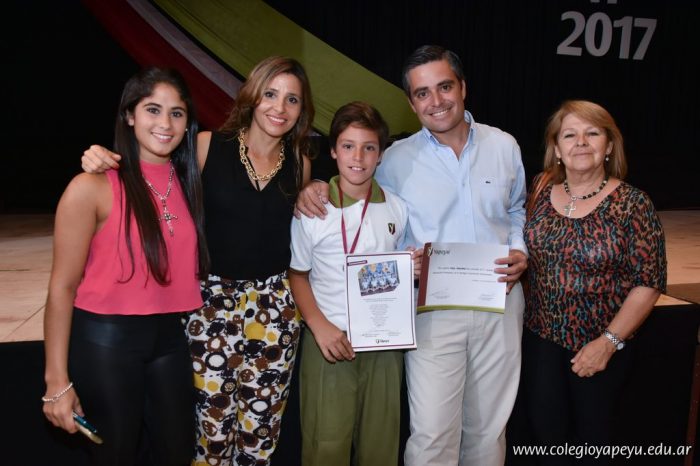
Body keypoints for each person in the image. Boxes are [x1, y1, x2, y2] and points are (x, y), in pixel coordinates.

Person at [295, 45, 528, 466]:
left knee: (490, 432)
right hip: (430, 311)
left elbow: (516, 210)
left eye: (444, 87)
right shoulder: (396, 159)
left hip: (499, 301)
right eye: (422, 93)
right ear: (410, 102)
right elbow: (357, 188)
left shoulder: (504, 146)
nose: (436, 100)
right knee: (432, 435)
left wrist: (519, 248)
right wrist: (313, 188)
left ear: (463, 87)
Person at [81, 56, 315, 465]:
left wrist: (318, 187)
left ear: (301, 110)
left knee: (261, 433)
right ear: (252, 96)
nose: (279, 107)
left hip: (275, 311)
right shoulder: (207, 145)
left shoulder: (301, 166)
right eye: (270, 94)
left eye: (291, 99)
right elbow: (150, 166)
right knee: (212, 431)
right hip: (209, 307)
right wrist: (101, 156)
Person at [43, 67, 208, 465]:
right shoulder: (91, 187)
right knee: (114, 455)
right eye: (153, 110)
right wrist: (56, 382)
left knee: (178, 453)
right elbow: (62, 288)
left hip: (170, 338)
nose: (165, 123)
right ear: (129, 115)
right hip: (106, 341)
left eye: (177, 113)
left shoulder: (190, 180)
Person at [521, 100, 666, 465]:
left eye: (592, 133)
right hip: (540, 343)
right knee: (546, 444)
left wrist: (608, 343)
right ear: (556, 149)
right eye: (570, 135)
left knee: (594, 445)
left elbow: (649, 282)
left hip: (601, 346)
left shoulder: (633, 204)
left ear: (609, 145)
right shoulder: (539, 190)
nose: (581, 143)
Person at [289, 101, 422, 466]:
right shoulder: (313, 210)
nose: (358, 157)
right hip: (330, 339)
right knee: (325, 444)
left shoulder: (397, 208)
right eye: (348, 146)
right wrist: (319, 327)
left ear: (381, 154)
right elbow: (297, 275)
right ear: (333, 150)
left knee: (380, 444)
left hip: (385, 343)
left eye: (369, 148)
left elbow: (400, 265)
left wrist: (411, 266)